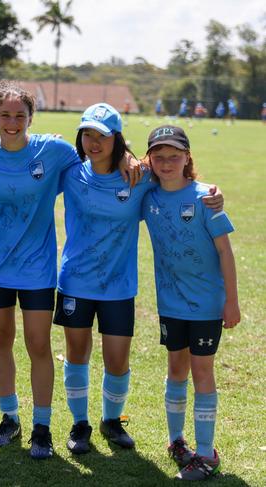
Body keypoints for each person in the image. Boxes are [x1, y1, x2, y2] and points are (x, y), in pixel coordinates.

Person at [53, 103, 224, 455]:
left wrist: (214, 196)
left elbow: (175, 178)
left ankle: (112, 421)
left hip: (119, 285)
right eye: (88, 133)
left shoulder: (139, 177)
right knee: (77, 353)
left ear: (116, 138)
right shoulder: (70, 171)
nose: (94, 142)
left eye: (103, 135)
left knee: (117, 359)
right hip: (75, 281)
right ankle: (79, 423)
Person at [0, 81, 83, 459]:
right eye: (5, 115)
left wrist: (132, 161)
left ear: (30, 118)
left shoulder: (52, 151)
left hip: (38, 269)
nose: (12, 122)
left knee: (38, 344)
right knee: (0, 340)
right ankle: (9, 417)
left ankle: (42, 426)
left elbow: (95, 160)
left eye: (20, 115)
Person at [142, 125, 239, 481]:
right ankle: (176, 442)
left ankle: (205, 454)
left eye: (175, 156)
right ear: (150, 159)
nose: (167, 163)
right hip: (171, 304)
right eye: (160, 157)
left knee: (201, 372)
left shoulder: (205, 198)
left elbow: (225, 251)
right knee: (176, 370)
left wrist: (232, 302)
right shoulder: (148, 195)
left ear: (188, 158)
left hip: (206, 305)